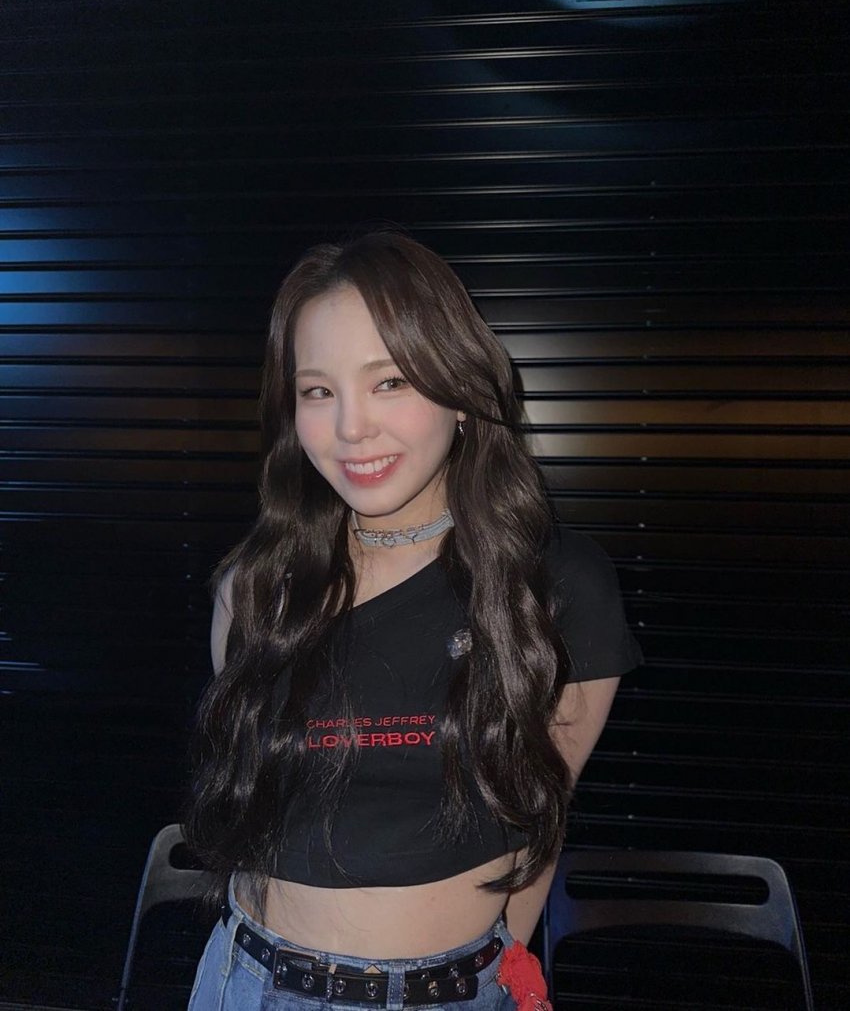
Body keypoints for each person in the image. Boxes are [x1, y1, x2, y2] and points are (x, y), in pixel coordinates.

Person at [183, 229, 643, 1010]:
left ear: (460, 391)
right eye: (317, 390)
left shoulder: (554, 585)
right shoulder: (256, 586)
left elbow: (544, 813)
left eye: (390, 380)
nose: (351, 427)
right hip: (247, 981)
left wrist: (496, 977)